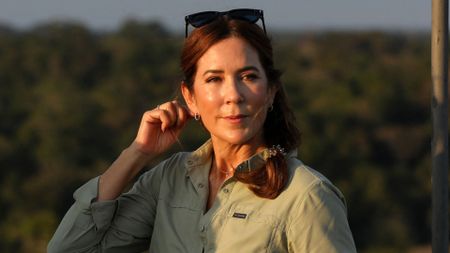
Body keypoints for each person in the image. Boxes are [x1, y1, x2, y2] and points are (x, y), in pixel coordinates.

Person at [48, 9, 357, 253]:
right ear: (190, 97)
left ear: (272, 91)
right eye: (214, 79)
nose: (233, 95)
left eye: (248, 76)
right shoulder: (170, 179)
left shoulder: (306, 196)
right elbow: (72, 248)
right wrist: (137, 153)